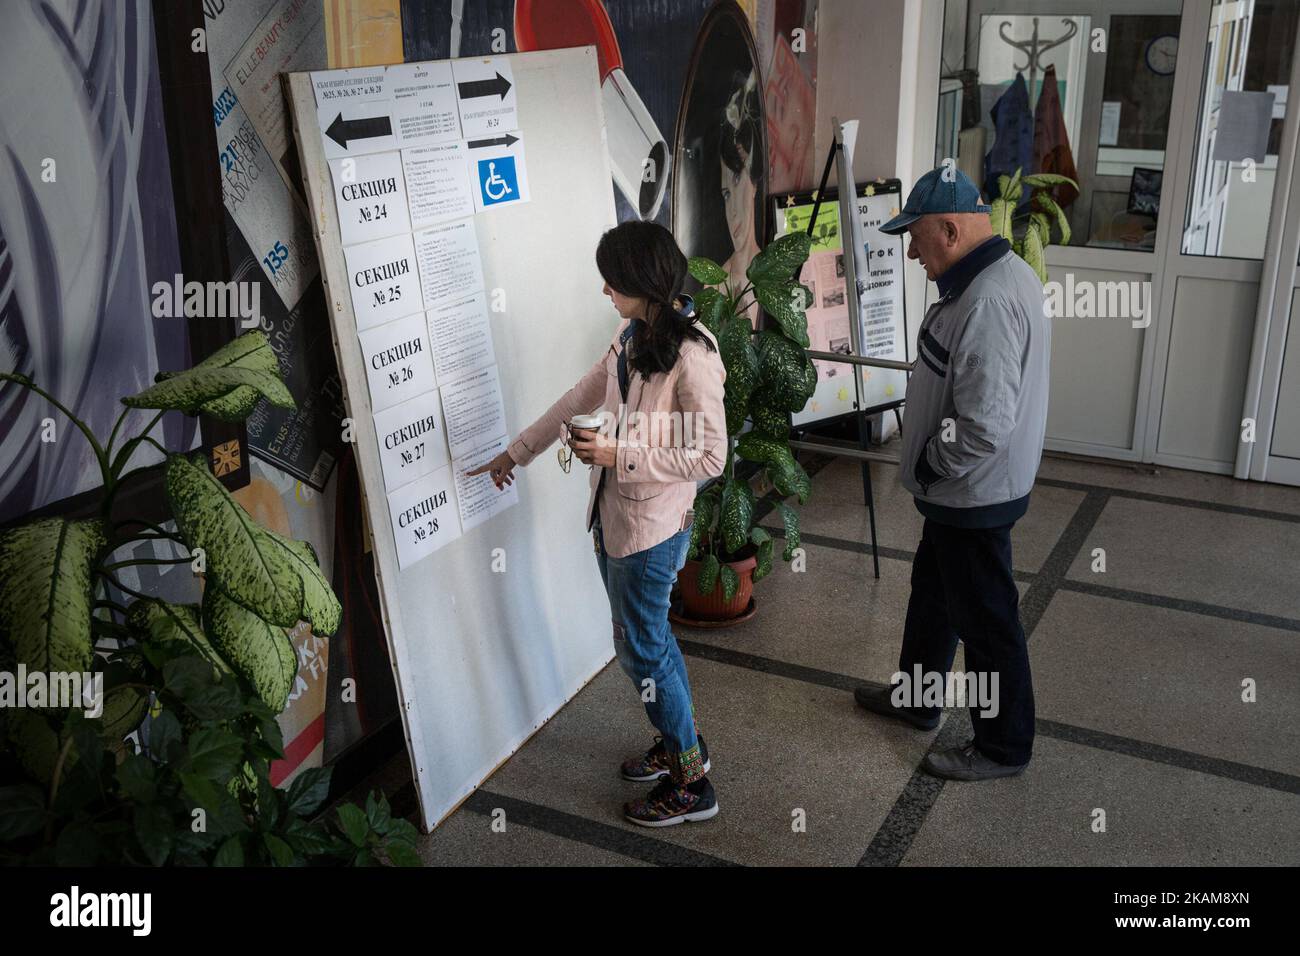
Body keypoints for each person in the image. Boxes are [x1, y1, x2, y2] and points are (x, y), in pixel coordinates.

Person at [467, 220, 728, 825]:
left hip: (651, 531)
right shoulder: (633, 335)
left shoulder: (694, 356)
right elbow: (582, 392)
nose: (604, 291)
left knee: (643, 651)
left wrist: (620, 454)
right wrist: (519, 450)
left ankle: (692, 786)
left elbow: (710, 457)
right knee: (648, 646)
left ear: (644, 281)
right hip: (612, 519)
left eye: (613, 281)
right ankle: (680, 744)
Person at [853, 165, 1050, 781]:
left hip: (972, 491)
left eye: (915, 235)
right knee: (935, 596)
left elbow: (984, 424)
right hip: (962, 493)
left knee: (987, 619)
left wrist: (931, 464)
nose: (910, 249)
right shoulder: (999, 276)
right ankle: (918, 699)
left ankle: (1002, 747)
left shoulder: (987, 299)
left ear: (950, 228)